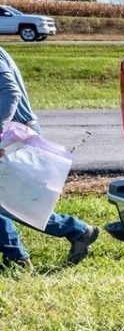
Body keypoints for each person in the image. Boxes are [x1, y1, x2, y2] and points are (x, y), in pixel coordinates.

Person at [0, 46, 99, 270]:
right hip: (11, 133)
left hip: (13, 135)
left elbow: (10, 91)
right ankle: (17, 259)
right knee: (7, 201)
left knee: (20, 203)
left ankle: (77, 230)